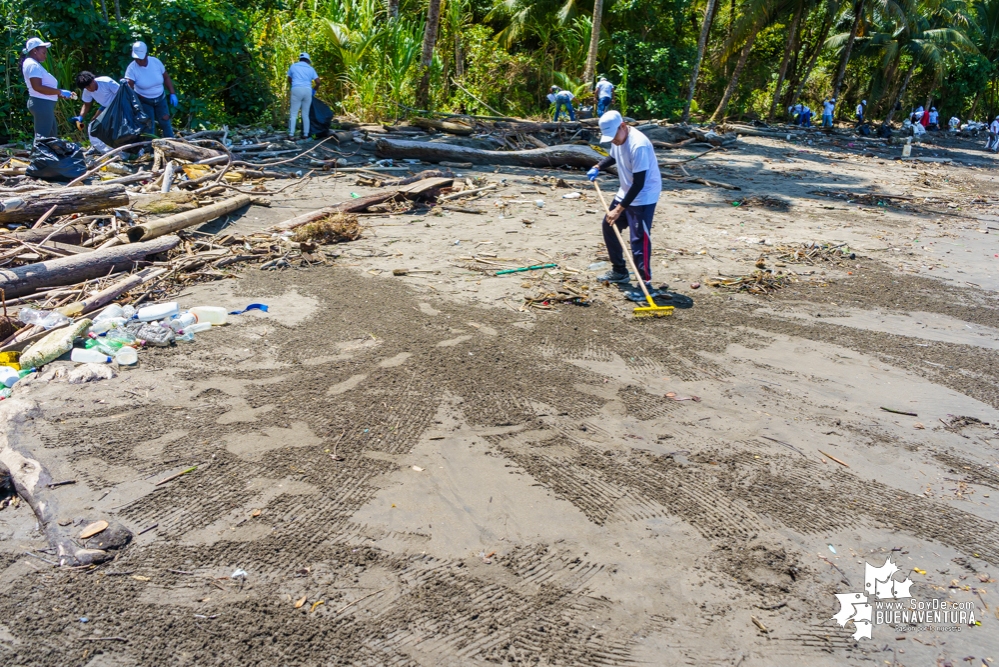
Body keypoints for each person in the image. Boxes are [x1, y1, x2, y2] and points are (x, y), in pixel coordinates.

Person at [586, 111, 664, 303]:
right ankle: (619, 271)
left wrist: (618, 209)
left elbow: (639, 183)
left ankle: (646, 285)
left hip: (644, 195)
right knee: (609, 226)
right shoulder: (618, 140)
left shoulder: (639, 145)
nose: (613, 141)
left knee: (639, 240)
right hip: (626, 190)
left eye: (614, 137)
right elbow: (613, 157)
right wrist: (597, 166)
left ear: (623, 126)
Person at [20, 37, 76, 138]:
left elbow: (43, 88)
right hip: (41, 104)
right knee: (42, 138)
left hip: (44, 104)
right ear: (34, 51)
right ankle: (37, 153)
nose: (45, 56)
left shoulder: (34, 64)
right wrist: (59, 91)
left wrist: (60, 94)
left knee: (51, 136)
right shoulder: (32, 65)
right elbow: (37, 87)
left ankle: (46, 153)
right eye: (43, 53)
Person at [124, 41, 177, 138]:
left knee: (165, 122)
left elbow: (166, 77)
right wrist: (126, 85)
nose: (139, 61)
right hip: (144, 100)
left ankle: (172, 144)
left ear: (146, 55)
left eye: (141, 59)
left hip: (160, 98)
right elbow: (129, 86)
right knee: (149, 126)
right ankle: (151, 150)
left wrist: (172, 93)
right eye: (136, 59)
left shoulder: (155, 62)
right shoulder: (132, 68)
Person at [70, 71, 120, 153]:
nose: (89, 89)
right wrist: (80, 117)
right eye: (86, 88)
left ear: (93, 80)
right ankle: (99, 147)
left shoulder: (106, 82)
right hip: (105, 106)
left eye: (89, 86)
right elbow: (86, 104)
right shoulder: (87, 91)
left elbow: (123, 94)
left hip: (118, 104)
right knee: (93, 123)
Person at [287, 52, 320, 139]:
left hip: (296, 89)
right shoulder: (310, 68)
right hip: (307, 90)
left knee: (293, 113)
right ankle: (305, 134)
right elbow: (318, 82)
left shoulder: (293, 66)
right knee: (305, 114)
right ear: (308, 60)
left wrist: (293, 85)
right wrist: (314, 90)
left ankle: (291, 134)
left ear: (300, 59)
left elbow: (289, 78)